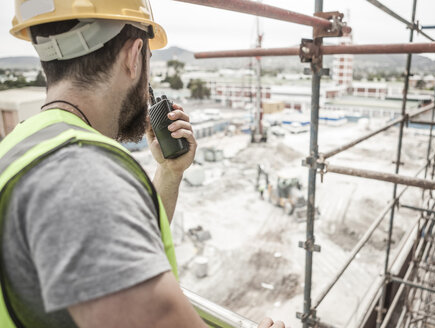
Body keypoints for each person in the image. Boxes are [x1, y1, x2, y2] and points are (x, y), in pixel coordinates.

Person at [0, 1, 285, 327]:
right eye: (150, 59)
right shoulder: (79, 174)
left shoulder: (24, 144)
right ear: (134, 57)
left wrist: (169, 171)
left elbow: (125, 240)